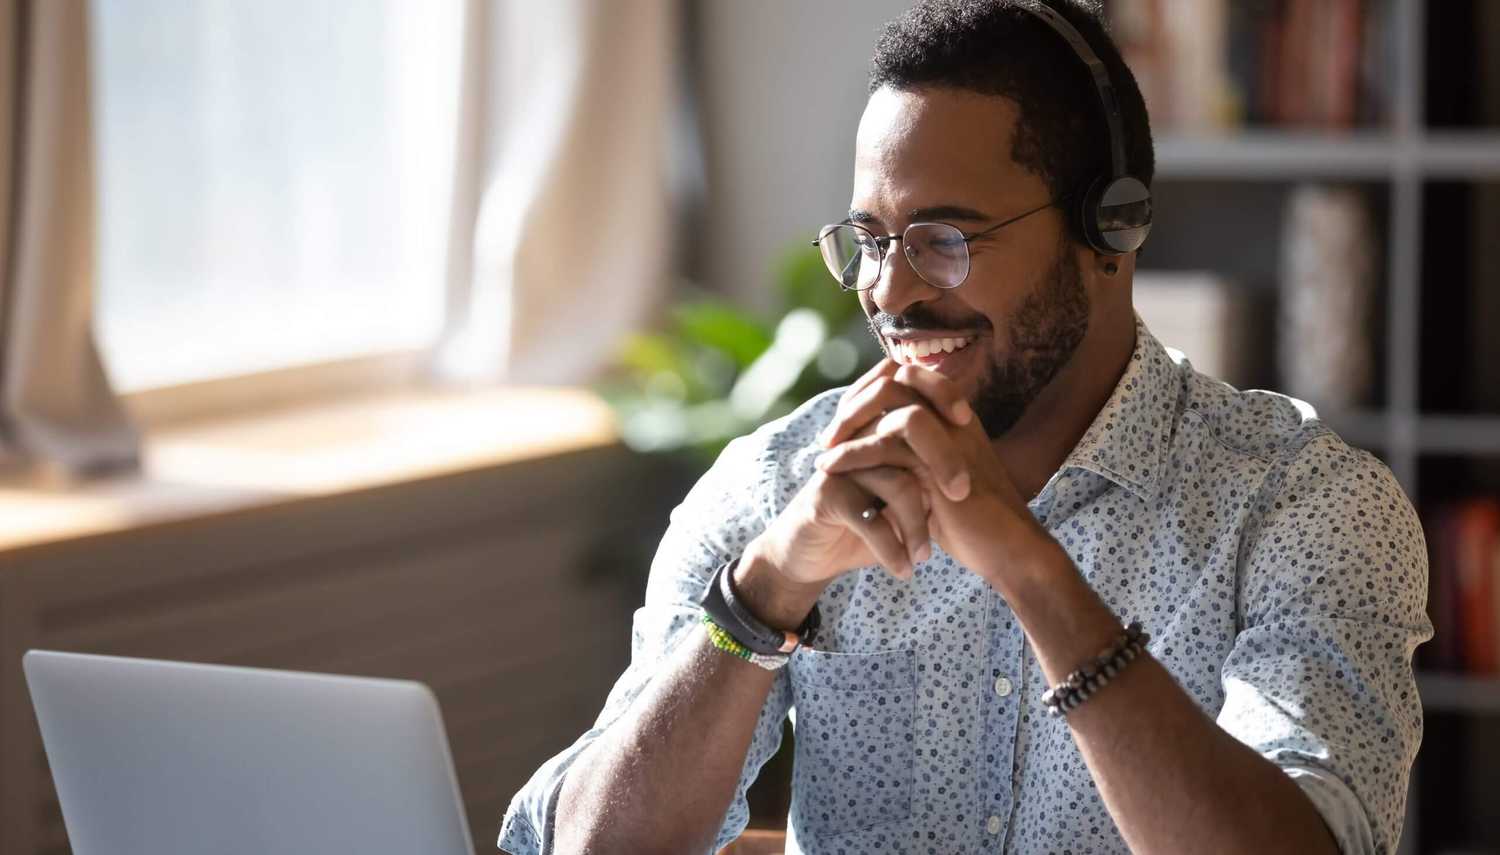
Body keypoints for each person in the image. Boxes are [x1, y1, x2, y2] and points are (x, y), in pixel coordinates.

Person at [499, 1, 1431, 853]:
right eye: (871, 241)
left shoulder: (1308, 507)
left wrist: (1030, 567)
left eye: (945, 240)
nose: (891, 293)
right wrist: (766, 590)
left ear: (1113, 229)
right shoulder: (779, 486)